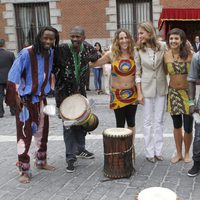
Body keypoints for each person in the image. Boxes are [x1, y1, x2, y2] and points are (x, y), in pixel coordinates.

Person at [5, 26, 59, 183]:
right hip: (25, 101)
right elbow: (13, 76)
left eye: (51, 39)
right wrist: (14, 99)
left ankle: (41, 162)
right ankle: (23, 169)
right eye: (45, 38)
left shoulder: (51, 53)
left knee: (43, 132)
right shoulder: (26, 53)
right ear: (39, 38)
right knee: (24, 135)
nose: (48, 41)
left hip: (41, 100)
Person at [53, 26, 99, 173]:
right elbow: (51, 65)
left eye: (78, 37)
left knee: (81, 123)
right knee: (68, 126)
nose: (74, 39)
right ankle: (70, 157)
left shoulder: (87, 48)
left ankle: (80, 149)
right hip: (64, 95)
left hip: (81, 94)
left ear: (84, 37)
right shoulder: (61, 49)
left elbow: (96, 55)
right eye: (72, 36)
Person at [90, 28, 138, 149]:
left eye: (126, 38)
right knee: (120, 124)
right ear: (117, 40)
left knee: (131, 122)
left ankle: (130, 147)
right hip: (117, 95)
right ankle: (122, 148)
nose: (124, 40)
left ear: (130, 39)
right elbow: (94, 64)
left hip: (132, 93)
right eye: (121, 38)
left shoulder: (135, 53)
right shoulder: (111, 55)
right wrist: (87, 58)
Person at [134, 22, 168, 163]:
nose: (139, 35)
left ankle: (158, 151)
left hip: (161, 86)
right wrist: (139, 93)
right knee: (147, 121)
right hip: (146, 88)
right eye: (139, 33)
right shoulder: (138, 50)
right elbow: (138, 72)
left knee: (159, 120)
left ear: (149, 33)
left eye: (142, 33)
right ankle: (149, 152)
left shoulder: (162, 46)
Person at [164, 28, 193, 164]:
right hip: (173, 94)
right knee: (177, 126)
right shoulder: (166, 55)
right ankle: (179, 153)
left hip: (188, 94)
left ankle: (187, 153)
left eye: (176, 38)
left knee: (188, 126)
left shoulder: (191, 55)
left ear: (182, 40)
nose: (173, 41)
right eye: (171, 38)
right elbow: (163, 73)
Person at [187, 51, 200, 177]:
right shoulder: (197, 57)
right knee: (199, 136)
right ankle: (197, 162)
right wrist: (191, 103)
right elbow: (191, 80)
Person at [0, 39, 15, 117]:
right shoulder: (10, 54)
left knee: (0, 95)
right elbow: (15, 66)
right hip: (9, 78)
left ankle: (0, 113)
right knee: (11, 94)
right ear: (4, 44)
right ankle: (13, 111)